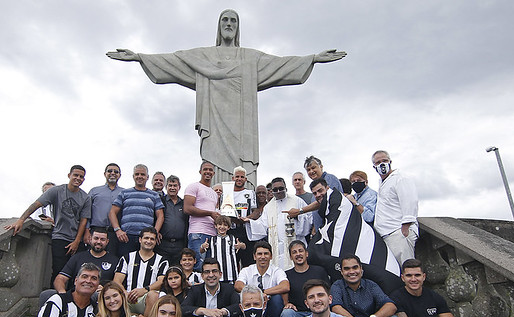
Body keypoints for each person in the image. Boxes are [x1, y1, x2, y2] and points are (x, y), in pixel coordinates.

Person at [107, 9, 346, 185]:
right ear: (219, 26)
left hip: (242, 129)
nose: (229, 24)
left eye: (233, 21)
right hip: (215, 123)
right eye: (225, 20)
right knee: (215, 170)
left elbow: (281, 64)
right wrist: (139, 57)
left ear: (238, 27)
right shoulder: (204, 56)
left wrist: (312, 58)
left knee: (242, 170)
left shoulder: (250, 58)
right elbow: (174, 60)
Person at [5, 165, 91, 280]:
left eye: (81, 177)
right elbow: (37, 204)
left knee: (77, 273)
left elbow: (83, 221)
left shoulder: (85, 197)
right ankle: (55, 296)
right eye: (76, 175)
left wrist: (76, 241)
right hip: (60, 236)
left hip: (76, 239)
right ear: (69, 175)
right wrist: (21, 220)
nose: (78, 178)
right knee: (58, 270)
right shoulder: (56, 191)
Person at [243, 177, 311, 270]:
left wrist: (298, 216)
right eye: (275, 190)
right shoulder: (269, 207)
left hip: (294, 242)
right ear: (271, 191)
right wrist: (250, 222)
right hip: (277, 249)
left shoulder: (297, 201)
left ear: (285, 188)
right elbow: (263, 225)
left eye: (281, 188)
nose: (278, 191)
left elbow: (308, 219)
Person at [372, 150, 419, 266]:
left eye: (384, 161)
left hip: (398, 232)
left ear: (390, 162)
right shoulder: (383, 183)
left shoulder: (400, 178)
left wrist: (405, 227)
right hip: (386, 234)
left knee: (407, 268)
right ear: (374, 167)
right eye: (378, 162)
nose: (382, 164)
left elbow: (410, 200)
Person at [109, 164, 164, 257]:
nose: (139, 176)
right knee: (125, 264)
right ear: (133, 176)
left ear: (147, 177)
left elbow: (160, 216)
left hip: (146, 238)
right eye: (137, 174)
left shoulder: (154, 195)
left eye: (142, 174)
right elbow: (112, 212)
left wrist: (155, 232)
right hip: (126, 237)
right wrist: (118, 230)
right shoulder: (124, 193)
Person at [113, 227, 168, 316]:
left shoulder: (162, 260)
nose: (149, 241)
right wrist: (125, 293)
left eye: (152, 239)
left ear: (155, 242)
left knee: (153, 295)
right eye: (146, 238)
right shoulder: (127, 258)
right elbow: (116, 281)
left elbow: (162, 281)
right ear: (140, 239)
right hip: (128, 297)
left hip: (147, 298)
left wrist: (145, 290)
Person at [280, 240, 329, 317]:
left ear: (306, 253)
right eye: (294, 252)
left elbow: (328, 293)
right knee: (286, 313)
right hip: (299, 313)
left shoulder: (319, 271)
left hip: (319, 310)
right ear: (290, 257)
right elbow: (284, 294)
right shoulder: (286, 275)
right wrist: (288, 304)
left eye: (300, 251)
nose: (298, 254)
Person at [234, 241, 289, 317]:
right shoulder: (246, 270)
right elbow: (238, 286)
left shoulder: (277, 271)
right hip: (251, 304)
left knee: (277, 299)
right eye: (259, 254)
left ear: (271, 256)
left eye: (266, 254)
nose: (263, 257)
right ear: (254, 256)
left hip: (271, 306)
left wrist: (263, 292)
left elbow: (285, 286)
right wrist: (257, 295)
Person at [53, 227, 117, 294]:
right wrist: (63, 293)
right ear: (90, 239)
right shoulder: (78, 257)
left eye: (102, 239)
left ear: (107, 242)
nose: (99, 242)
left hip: (100, 298)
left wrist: (105, 290)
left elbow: (117, 285)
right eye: (96, 238)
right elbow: (60, 278)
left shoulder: (114, 261)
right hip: (76, 297)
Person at [184, 161, 220, 269]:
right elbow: (187, 208)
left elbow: (215, 212)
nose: (208, 172)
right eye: (205, 169)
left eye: (210, 170)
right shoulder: (193, 186)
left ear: (213, 173)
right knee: (198, 267)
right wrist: (210, 213)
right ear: (200, 171)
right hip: (198, 233)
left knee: (209, 269)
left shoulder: (214, 193)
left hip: (213, 235)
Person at [87, 163, 124, 253]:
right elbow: (86, 211)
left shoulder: (124, 192)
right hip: (95, 231)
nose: (113, 173)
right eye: (110, 171)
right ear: (105, 174)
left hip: (115, 233)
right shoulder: (94, 191)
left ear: (120, 175)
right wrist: (86, 231)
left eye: (116, 171)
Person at [200, 215, 244, 283]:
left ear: (228, 227)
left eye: (225, 225)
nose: (222, 227)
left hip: (231, 273)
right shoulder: (212, 239)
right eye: (220, 224)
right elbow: (201, 251)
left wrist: (240, 245)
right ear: (215, 226)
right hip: (216, 273)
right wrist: (203, 246)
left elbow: (244, 246)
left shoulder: (232, 238)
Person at [156, 175, 188, 266]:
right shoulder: (160, 201)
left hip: (179, 245)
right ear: (166, 187)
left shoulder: (184, 203)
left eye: (175, 186)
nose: (172, 188)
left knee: (177, 271)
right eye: (170, 185)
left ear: (179, 187)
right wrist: (156, 231)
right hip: (163, 243)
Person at [227, 166, 256, 268]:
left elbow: (255, 211)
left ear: (245, 179)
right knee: (232, 262)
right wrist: (233, 219)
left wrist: (248, 218)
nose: (239, 179)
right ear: (233, 178)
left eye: (242, 177)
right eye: (237, 176)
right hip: (231, 231)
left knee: (248, 262)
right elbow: (223, 213)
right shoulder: (227, 194)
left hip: (246, 231)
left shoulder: (250, 193)